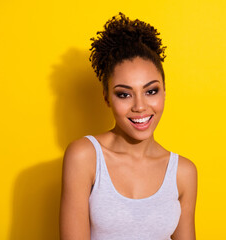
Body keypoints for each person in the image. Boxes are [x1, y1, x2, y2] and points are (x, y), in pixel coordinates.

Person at [60, 12, 198, 240]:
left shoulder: (183, 172)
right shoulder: (84, 157)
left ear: (164, 92)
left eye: (151, 91)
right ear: (106, 97)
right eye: (124, 94)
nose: (140, 106)